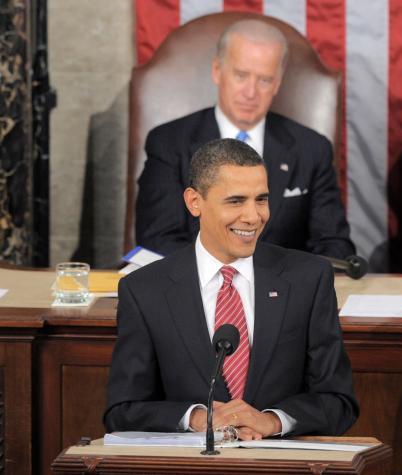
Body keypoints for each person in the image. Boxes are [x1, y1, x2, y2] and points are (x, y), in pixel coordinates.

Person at [105, 138, 358, 438]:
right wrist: (196, 417)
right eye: (236, 201)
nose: (253, 216)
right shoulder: (144, 290)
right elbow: (122, 410)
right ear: (194, 202)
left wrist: (273, 421)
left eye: (261, 199)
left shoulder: (308, 278)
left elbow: (338, 401)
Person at [135, 19, 355, 260]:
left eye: (264, 80)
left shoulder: (312, 148)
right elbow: (158, 238)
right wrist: (228, 276)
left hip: (284, 289)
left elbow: (334, 245)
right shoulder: (169, 142)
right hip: (198, 290)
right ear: (217, 71)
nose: (250, 93)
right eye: (241, 76)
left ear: (277, 84)